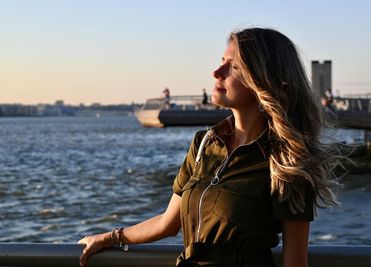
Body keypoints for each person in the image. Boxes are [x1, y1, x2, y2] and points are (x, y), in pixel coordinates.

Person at [78, 28, 343, 267]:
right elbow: (168, 223)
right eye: (221, 62)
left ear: (262, 80)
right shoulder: (204, 143)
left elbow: (295, 262)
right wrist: (111, 237)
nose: (217, 73)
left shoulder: (286, 159)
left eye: (234, 67)